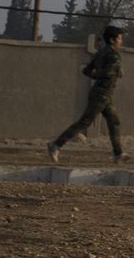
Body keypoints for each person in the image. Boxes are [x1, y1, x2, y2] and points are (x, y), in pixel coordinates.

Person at [49, 25, 128, 163]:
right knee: (84, 123)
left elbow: (86, 71)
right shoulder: (113, 55)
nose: (121, 41)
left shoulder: (100, 53)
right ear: (112, 39)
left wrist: (99, 74)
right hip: (102, 94)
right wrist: (116, 72)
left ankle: (118, 153)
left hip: (103, 94)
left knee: (114, 121)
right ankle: (56, 145)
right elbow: (108, 73)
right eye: (119, 38)